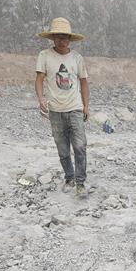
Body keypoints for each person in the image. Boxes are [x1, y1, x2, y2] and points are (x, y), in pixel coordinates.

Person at [35, 17, 90, 195]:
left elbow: (84, 82)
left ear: (70, 39)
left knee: (80, 146)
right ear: (53, 38)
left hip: (75, 108)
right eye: (58, 37)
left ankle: (80, 183)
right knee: (63, 149)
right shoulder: (44, 56)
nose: (62, 40)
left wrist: (86, 106)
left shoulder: (77, 58)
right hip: (55, 111)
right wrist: (41, 99)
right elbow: (39, 79)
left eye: (65, 37)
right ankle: (69, 178)